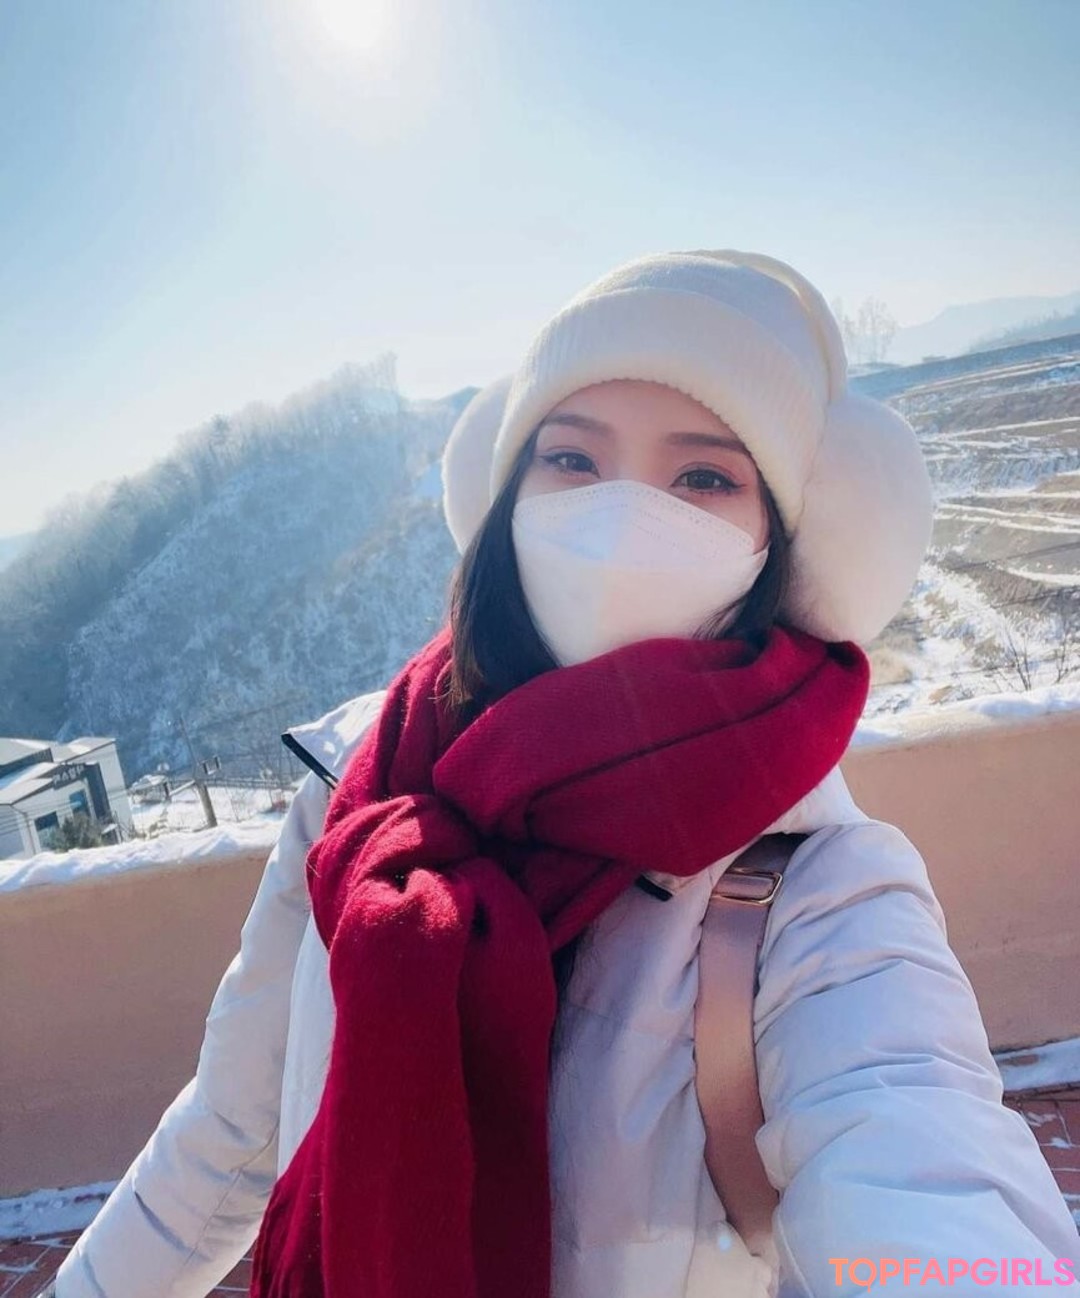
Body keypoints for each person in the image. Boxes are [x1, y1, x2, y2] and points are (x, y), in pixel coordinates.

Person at [51, 251, 1078, 1298]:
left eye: (705, 477)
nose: (623, 517)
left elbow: (927, 1159)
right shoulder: (362, 789)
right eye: (574, 459)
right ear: (504, 493)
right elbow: (226, 1132)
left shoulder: (815, 891)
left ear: (781, 539)